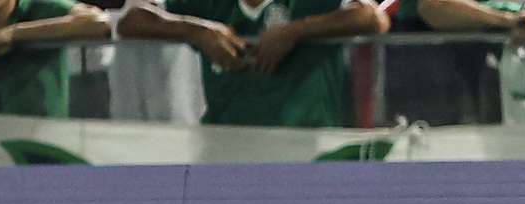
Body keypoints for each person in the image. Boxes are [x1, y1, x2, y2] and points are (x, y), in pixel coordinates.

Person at [116, 0, 388, 128]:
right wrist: (196, 30)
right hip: (225, 149)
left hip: (305, 151)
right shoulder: (210, 7)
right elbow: (132, 20)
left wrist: (296, 31)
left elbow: (372, 17)